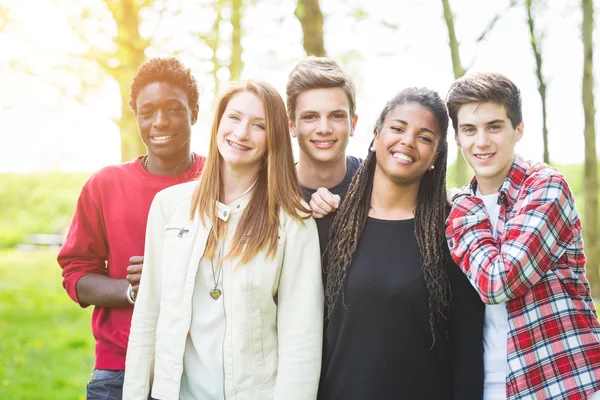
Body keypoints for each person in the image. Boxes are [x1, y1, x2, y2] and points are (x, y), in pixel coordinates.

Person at [123, 80, 324, 400]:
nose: (241, 133)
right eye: (234, 118)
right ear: (218, 122)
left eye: (258, 125)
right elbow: (148, 314)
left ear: (273, 138)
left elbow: (302, 335)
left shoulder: (293, 220)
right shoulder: (169, 206)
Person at [318, 87, 485, 399]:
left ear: (436, 156)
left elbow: (468, 350)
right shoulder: (332, 223)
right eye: (397, 128)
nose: (408, 140)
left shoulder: (452, 232)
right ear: (376, 136)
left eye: (424, 137)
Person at [445, 72, 600, 400]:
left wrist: (463, 208)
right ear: (457, 138)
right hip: (485, 385)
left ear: (518, 130)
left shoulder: (545, 187)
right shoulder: (457, 207)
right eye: (469, 130)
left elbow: (499, 283)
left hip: (558, 382)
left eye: (494, 127)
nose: (481, 141)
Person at [58, 57, 205, 399]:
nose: (160, 121)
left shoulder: (220, 180)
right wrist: (135, 289)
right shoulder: (105, 185)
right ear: (135, 115)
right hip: (119, 370)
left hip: (200, 367)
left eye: (173, 109)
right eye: (147, 111)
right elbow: (76, 275)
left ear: (194, 112)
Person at [286, 57, 361, 254]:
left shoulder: (377, 181)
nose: (324, 128)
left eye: (336, 116)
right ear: (291, 125)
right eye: (310, 117)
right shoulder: (272, 191)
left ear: (353, 123)